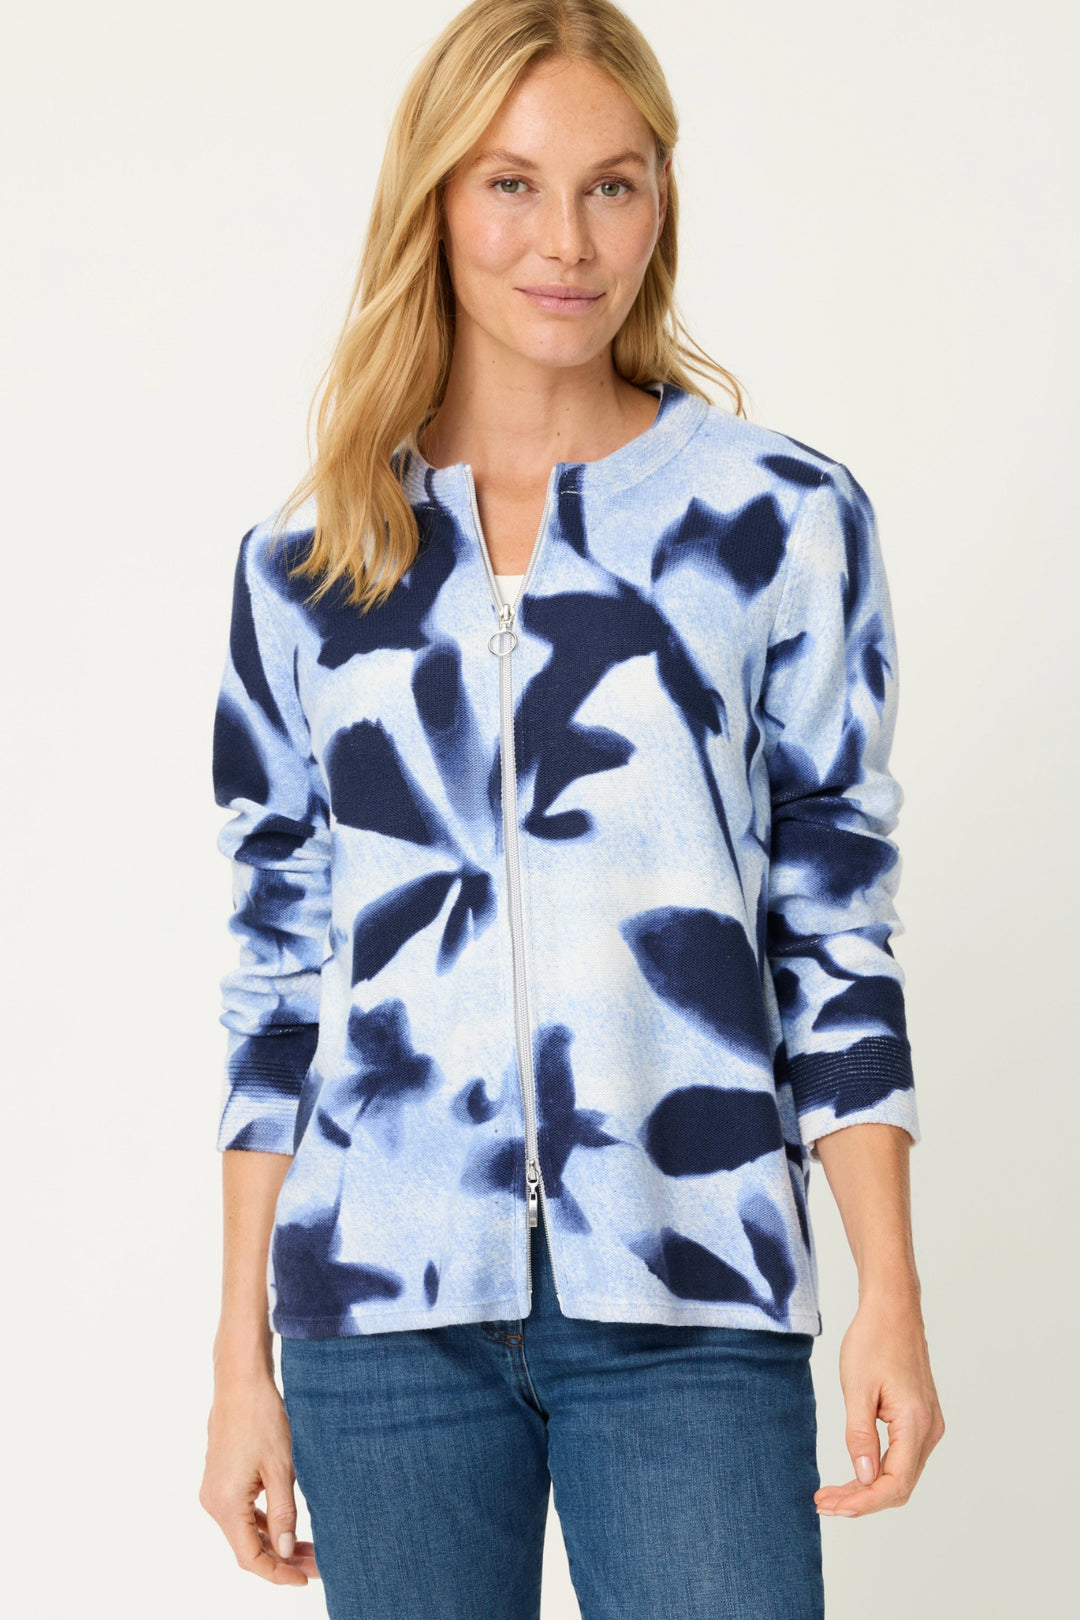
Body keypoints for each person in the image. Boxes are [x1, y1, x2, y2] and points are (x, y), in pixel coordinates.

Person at [198, 2, 945, 1615]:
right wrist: (236, 1361)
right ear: (434, 201)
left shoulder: (777, 519)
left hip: (695, 1284)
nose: (568, 242)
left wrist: (887, 1287)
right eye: (512, 185)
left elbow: (835, 923)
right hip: (381, 1311)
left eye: (613, 184)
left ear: (661, 198)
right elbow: (275, 984)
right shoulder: (310, 569)